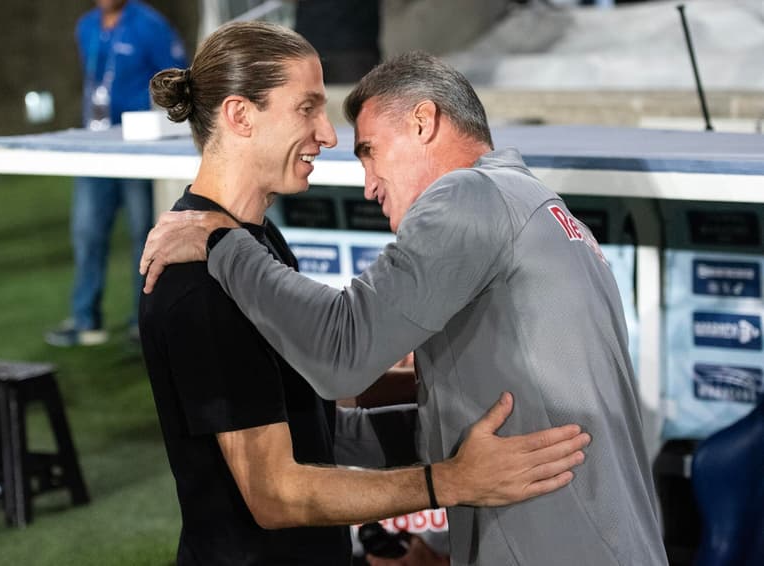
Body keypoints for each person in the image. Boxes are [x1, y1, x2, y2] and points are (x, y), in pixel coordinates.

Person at [140, 51, 668, 565]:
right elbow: (464, 421)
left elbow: (342, 353)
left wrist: (221, 243)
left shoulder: (469, 197)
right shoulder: (533, 205)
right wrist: (410, 459)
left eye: (368, 150)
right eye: (309, 108)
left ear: (422, 122)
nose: (367, 183)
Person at [45, 0, 186, 347]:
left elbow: (178, 79)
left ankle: (144, 323)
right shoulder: (86, 27)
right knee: (87, 232)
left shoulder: (150, 25)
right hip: (96, 149)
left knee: (143, 234)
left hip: (137, 150)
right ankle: (86, 320)